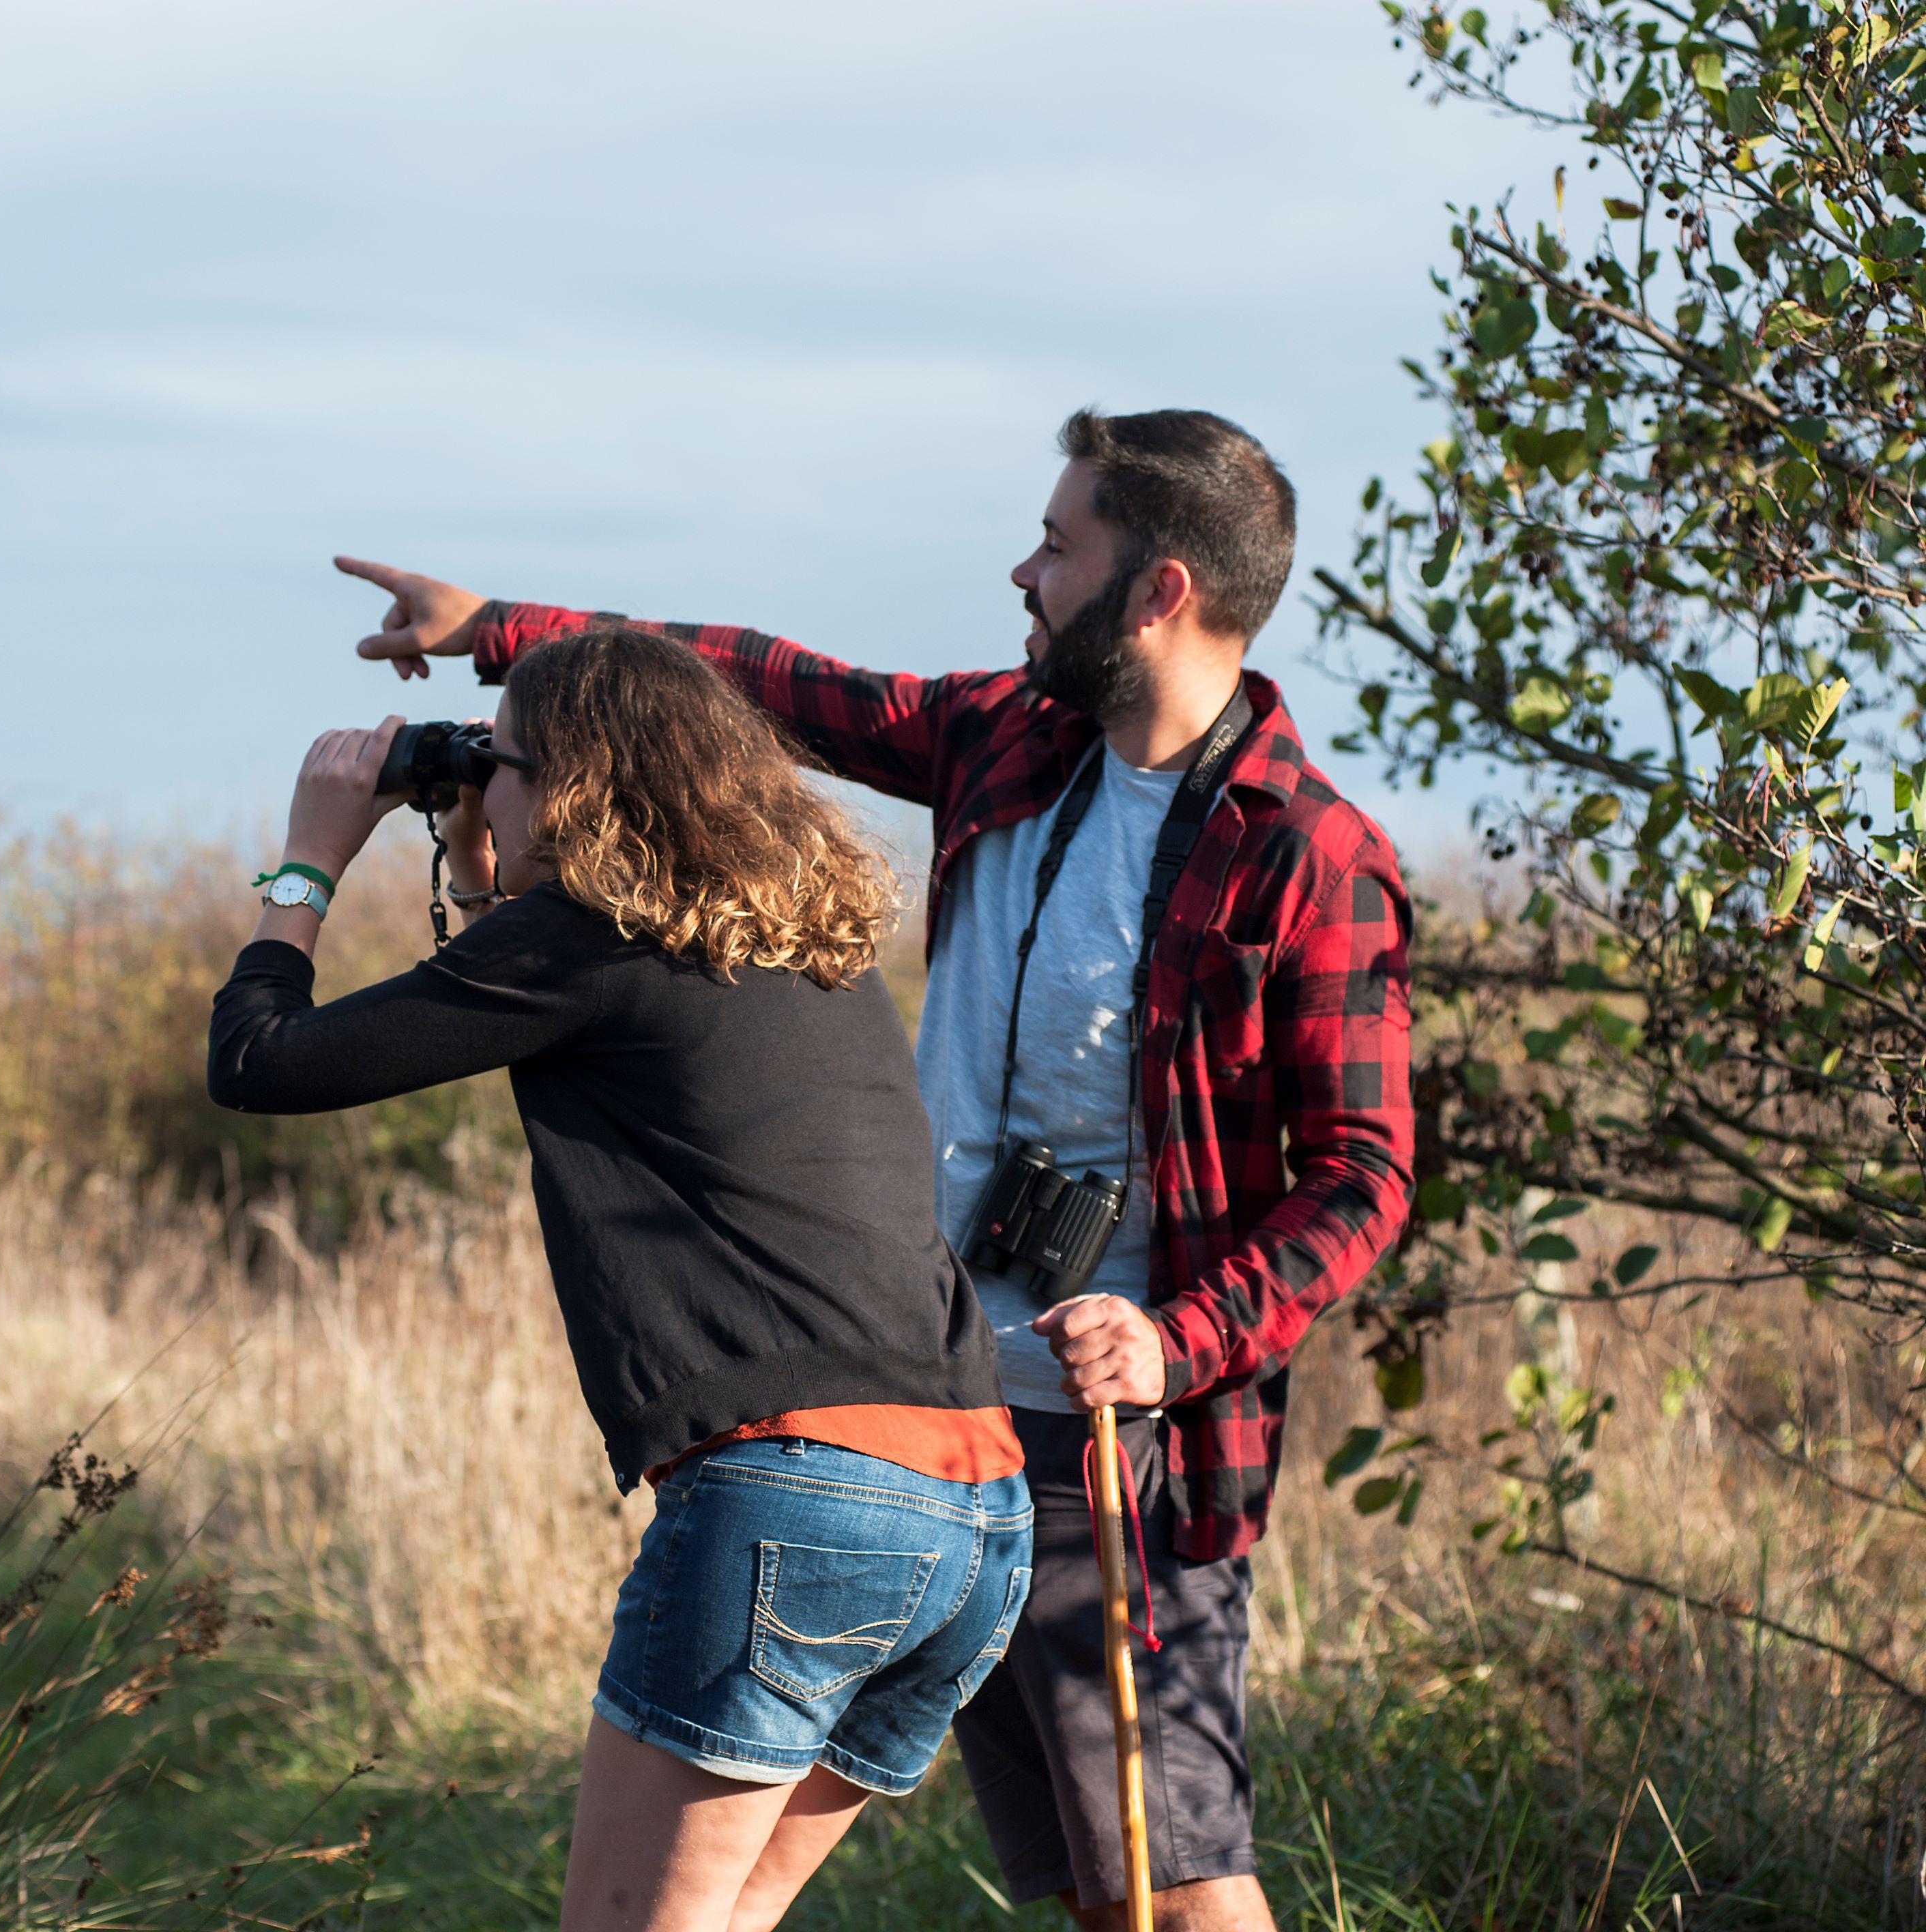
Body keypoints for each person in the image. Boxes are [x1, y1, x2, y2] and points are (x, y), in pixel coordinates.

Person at [334, 408, 1415, 1932]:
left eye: (1059, 545)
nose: (1023, 571)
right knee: (1102, 1897)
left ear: (1158, 588)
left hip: (1128, 1451)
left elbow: (1364, 1175)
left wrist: (1181, 1342)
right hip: (942, 1417)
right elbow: (765, 680)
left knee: (1174, 1893)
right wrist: (501, 633)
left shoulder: (1305, 853)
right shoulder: (1005, 737)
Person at [209, 628, 1034, 1932]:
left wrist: (308, 857)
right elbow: (531, 1001)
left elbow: (259, 1060)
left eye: (509, 768)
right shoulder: (802, 946)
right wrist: (483, 865)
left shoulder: (582, 941)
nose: (497, 788)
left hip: (797, 1497)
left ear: (574, 790)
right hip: (969, 1513)